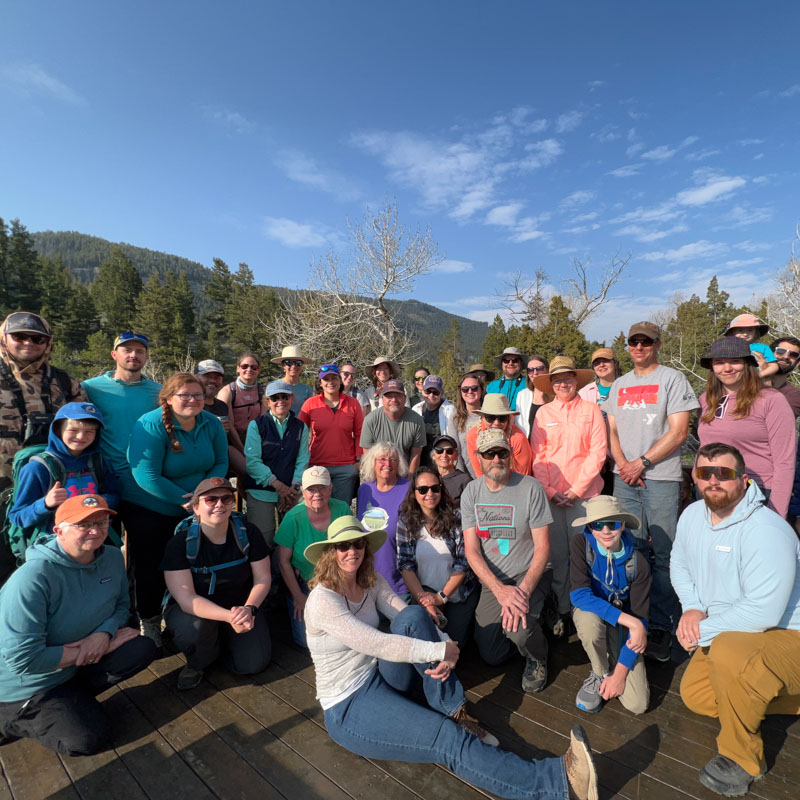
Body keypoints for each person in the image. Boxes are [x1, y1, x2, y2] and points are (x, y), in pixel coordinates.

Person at [302, 515, 599, 800]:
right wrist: (438, 651)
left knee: (415, 613)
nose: (352, 551)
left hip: (378, 676)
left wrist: (444, 643)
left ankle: (453, 708)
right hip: (349, 705)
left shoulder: (369, 579)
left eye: (358, 544)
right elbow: (377, 643)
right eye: (343, 546)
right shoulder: (323, 601)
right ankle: (558, 783)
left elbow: (405, 617)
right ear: (330, 553)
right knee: (447, 740)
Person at [671, 442, 800, 797]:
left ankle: (744, 760)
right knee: (695, 694)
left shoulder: (766, 530)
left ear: (743, 480)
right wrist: (693, 608)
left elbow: (763, 612)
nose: (713, 480)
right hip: (735, 630)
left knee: (727, 650)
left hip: (787, 634)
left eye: (724, 473)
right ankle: (765, 693)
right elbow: (679, 564)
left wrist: (702, 629)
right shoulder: (692, 515)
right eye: (704, 473)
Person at [0, 494, 157, 755]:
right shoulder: (33, 578)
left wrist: (104, 634)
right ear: (58, 530)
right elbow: (22, 659)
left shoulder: (111, 557)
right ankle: (10, 719)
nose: (95, 531)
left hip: (73, 665)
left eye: (102, 522)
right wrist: (97, 650)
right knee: (86, 739)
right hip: (28, 685)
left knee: (142, 648)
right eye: (83, 525)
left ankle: (74, 701)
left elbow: (121, 607)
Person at [605, 321, 699, 663]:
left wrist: (641, 463)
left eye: (646, 341)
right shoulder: (619, 385)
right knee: (629, 549)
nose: (640, 347)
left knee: (664, 553)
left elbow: (678, 432)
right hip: (625, 478)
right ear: (627, 346)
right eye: (634, 342)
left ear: (658, 344)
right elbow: (611, 430)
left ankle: (661, 624)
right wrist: (623, 464)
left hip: (660, 478)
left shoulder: (672, 379)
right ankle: (635, 618)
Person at [128, 372, 228, 644]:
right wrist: (186, 500)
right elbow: (146, 474)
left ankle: (187, 618)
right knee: (151, 567)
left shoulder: (211, 423)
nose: (192, 400)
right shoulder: (150, 425)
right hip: (154, 506)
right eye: (184, 395)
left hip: (199, 506)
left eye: (197, 395)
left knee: (193, 565)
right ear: (169, 399)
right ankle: (149, 620)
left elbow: (220, 461)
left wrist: (205, 493)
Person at [461, 430, 553, 693]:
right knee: (491, 654)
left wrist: (521, 593)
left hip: (530, 574)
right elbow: (472, 551)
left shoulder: (531, 488)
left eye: (502, 452)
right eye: (489, 454)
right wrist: (501, 592)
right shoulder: (471, 493)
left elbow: (543, 548)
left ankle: (538, 657)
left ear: (511, 455)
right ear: (479, 457)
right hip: (494, 583)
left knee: (519, 630)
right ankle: (538, 620)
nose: (496, 459)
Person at [161, 478, 271, 690]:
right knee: (192, 627)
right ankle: (198, 663)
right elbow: (186, 600)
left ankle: (221, 646)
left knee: (253, 664)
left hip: (241, 605)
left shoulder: (248, 533)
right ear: (196, 508)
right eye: (211, 499)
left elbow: (263, 578)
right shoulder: (180, 543)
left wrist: (249, 609)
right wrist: (229, 617)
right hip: (196, 612)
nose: (219, 504)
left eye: (226, 498)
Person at [1, 312, 83, 578]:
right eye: (19, 336)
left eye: (37, 338)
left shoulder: (63, 382)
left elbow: (85, 429)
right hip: (2, 486)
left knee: (45, 564)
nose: (28, 343)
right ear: (4, 339)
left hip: (51, 488)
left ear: (48, 343)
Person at [531, 357, 607, 631]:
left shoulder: (591, 411)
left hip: (584, 498)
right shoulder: (543, 414)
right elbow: (537, 456)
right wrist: (550, 492)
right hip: (552, 500)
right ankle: (564, 609)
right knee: (559, 555)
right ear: (551, 384)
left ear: (577, 380)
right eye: (557, 379)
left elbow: (598, 453)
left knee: (586, 554)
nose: (563, 383)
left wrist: (576, 490)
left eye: (568, 378)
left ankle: (586, 608)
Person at [569, 496, 651, 716]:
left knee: (637, 704)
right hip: (604, 616)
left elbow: (641, 618)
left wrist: (621, 674)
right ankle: (599, 671)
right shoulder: (580, 545)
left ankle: (613, 669)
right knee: (588, 622)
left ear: (622, 525)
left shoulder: (639, 563)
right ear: (589, 527)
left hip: (621, 626)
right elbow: (579, 596)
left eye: (612, 524)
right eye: (597, 524)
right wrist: (631, 622)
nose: (605, 530)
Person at [697, 337, 795, 518]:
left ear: (748, 364)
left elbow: (785, 461)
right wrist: (698, 481)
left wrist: (776, 514)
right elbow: (704, 445)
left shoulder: (771, 400)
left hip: (755, 492)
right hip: (710, 489)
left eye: (735, 361)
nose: (727, 368)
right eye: (719, 362)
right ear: (712, 367)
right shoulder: (706, 399)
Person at [8, 402, 120, 558]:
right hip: (54, 550)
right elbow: (18, 517)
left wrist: (99, 501)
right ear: (58, 430)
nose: (81, 436)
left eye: (89, 431)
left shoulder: (99, 462)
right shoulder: (37, 468)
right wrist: (45, 504)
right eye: (73, 430)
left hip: (95, 545)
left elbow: (114, 495)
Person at [81, 331, 161, 541]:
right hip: (103, 481)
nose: (133, 355)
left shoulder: (158, 391)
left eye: (140, 351)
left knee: (145, 549)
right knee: (102, 546)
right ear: (114, 354)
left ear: (146, 357)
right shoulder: (90, 388)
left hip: (142, 483)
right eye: (127, 350)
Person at [397, 467, 478, 644]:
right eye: (423, 490)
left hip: (458, 593)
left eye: (435, 488)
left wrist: (441, 596)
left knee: (455, 645)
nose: (430, 493)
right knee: (427, 642)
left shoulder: (457, 518)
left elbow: (463, 562)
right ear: (414, 493)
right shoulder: (405, 521)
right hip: (425, 592)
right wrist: (425, 601)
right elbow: (406, 565)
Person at [274, 466, 351, 647]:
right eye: (311, 489)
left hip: (339, 583)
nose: (317, 493)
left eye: (322, 487)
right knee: (305, 641)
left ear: (331, 488)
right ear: (303, 491)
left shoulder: (343, 509)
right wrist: (298, 596)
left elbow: (354, 549)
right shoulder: (293, 518)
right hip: (305, 585)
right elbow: (283, 562)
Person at [244, 380, 309, 549]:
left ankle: (289, 573)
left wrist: (293, 489)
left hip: (291, 490)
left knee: (295, 537)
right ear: (268, 402)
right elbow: (253, 462)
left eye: (284, 397)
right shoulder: (256, 426)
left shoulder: (301, 427)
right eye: (275, 398)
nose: (280, 401)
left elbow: (302, 459)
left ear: (291, 398)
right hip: (261, 490)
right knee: (263, 538)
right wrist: (278, 486)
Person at [298, 363, 363, 504]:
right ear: (320, 383)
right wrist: (304, 463)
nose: (331, 382)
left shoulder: (353, 404)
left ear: (340, 381)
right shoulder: (310, 404)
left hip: (346, 467)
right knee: (317, 509)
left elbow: (359, 433)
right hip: (317, 466)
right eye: (326, 379)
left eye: (334, 378)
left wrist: (357, 462)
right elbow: (300, 434)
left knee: (341, 510)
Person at [356, 442, 410, 595]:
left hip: (398, 583)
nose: (387, 464)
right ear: (372, 462)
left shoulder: (408, 489)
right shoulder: (365, 490)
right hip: (367, 581)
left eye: (393, 460)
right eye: (382, 459)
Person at [194, 359, 249, 484]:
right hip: (199, 458)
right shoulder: (191, 405)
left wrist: (243, 452)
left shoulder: (221, 406)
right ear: (195, 377)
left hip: (221, 454)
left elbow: (230, 430)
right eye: (207, 376)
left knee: (249, 473)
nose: (213, 381)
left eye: (217, 377)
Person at [578, 347, 621, 495]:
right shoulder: (584, 393)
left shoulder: (626, 388)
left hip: (622, 458)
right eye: (597, 363)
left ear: (615, 363)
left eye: (606, 361)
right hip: (594, 459)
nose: (601, 365)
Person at [360, 379, 425, 475]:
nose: (394, 400)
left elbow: (415, 455)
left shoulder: (417, 421)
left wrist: (410, 481)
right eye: (389, 396)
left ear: (404, 398)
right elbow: (368, 455)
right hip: (378, 472)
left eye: (398, 396)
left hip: (404, 473)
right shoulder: (370, 420)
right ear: (382, 399)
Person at [466, 394, 533, 478]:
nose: (496, 423)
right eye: (490, 418)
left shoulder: (518, 438)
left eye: (502, 418)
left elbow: (522, 476)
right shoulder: (473, 436)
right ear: (482, 417)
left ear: (508, 419)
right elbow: (479, 473)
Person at [216, 352, 267, 448]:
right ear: (238, 368)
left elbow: (263, 421)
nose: (249, 369)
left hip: (256, 437)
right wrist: (242, 449)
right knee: (243, 463)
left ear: (258, 370)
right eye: (245, 366)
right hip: (232, 441)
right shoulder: (227, 392)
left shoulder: (263, 392)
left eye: (254, 367)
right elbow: (229, 426)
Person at [445, 371, 486, 477]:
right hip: (467, 476)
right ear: (460, 392)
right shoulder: (455, 418)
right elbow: (455, 450)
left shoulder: (490, 415)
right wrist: (462, 477)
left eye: (474, 388)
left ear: (481, 389)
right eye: (465, 389)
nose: (470, 391)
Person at [411, 374, 456, 467]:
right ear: (422, 391)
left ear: (442, 393)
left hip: (442, 459)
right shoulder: (416, 409)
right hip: (420, 460)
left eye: (435, 392)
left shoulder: (450, 410)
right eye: (428, 391)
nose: (431, 395)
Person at [723, 313, 779, 381]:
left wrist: (759, 375)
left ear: (756, 332)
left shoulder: (763, 348)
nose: (745, 334)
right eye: (740, 330)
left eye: (750, 330)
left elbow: (774, 366)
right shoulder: (727, 349)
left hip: (758, 383)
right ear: (732, 332)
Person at [515, 354, 553, 438]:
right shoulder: (522, 395)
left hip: (551, 446)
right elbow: (518, 423)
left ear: (547, 370)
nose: (535, 373)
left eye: (539, 369)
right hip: (529, 446)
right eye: (530, 370)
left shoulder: (555, 394)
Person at [430, 434, 471, 508]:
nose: (444, 455)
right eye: (439, 450)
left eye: (449, 451)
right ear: (433, 456)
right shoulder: (429, 478)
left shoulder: (464, 479)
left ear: (456, 455)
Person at [270, 345, 313, 415]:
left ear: (302, 366)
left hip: (300, 425)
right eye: (289, 362)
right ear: (283, 365)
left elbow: (309, 414)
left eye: (298, 363)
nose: (293, 366)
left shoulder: (307, 390)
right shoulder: (273, 386)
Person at [769, 336, 800, 418]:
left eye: (793, 354)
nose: (786, 356)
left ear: (797, 363)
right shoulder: (747, 384)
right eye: (780, 351)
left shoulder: (796, 397)